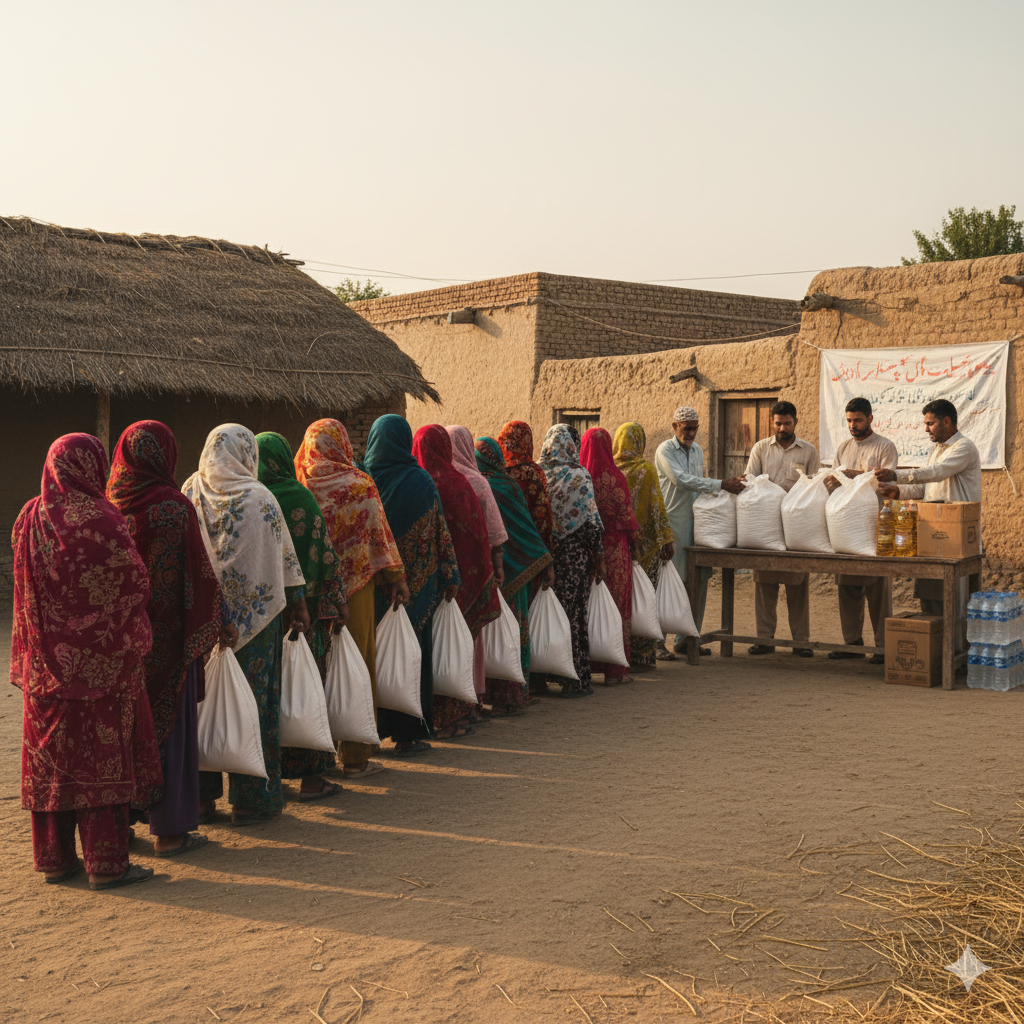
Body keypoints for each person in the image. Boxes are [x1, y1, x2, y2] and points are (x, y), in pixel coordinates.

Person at [13, 433, 161, 889]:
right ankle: (106, 865)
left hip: (45, 673)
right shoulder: (105, 519)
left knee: (53, 764)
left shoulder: (28, 517)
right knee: (101, 761)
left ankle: (54, 860)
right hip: (102, 671)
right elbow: (136, 584)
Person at [107, 420, 231, 858]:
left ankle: (122, 827)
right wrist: (220, 621)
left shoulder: (108, 508)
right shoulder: (175, 509)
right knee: (173, 731)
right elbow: (200, 576)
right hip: (170, 641)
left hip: (119, 644)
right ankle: (170, 831)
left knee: (124, 732)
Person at [184, 424, 309, 825]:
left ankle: (201, 801)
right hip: (256, 624)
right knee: (254, 705)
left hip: (203, 621)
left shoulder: (190, 491)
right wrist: (299, 606)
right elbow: (284, 561)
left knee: (203, 706)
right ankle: (251, 799)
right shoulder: (261, 498)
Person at [294, 419, 406, 780]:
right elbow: (380, 538)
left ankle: (314, 757)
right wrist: (396, 580)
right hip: (354, 592)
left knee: (311, 672)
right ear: (341, 442)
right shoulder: (360, 485)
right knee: (355, 668)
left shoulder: (297, 483)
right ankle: (355, 757)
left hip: (306, 596)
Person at [256, 432, 348, 800]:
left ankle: (267, 780)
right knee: (307, 691)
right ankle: (312, 779)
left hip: (259, 620)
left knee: (266, 697)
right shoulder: (300, 498)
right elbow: (325, 556)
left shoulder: (250, 498)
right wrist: (336, 603)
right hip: (303, 616)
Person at [362, 414, 460, 754]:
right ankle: (407, 733)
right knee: (409, 654)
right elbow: (439, 531)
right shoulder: (419, 481)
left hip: (370, 589)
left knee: (372, 656)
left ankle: (367, 733)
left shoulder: (361, 482)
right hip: (417, 587)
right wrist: (450, 575)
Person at [413, 424, 498, 737]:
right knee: (455, 644)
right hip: (456, 582)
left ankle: (420, 719)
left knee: (421, 648)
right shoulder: (458, 483)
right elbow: (477, 534)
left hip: (410, 586)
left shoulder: (399, 481)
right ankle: (455, 715)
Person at [875, 399, 982, 617]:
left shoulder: (964, 447)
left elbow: (938, 472)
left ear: (947, 421)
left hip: (957, 536)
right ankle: (934, 647)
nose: (926, 429)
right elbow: (927, 487)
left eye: (930, 424)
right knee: (931, 597)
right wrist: (899, 492)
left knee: (957, 603)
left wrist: (897, 475)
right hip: (934, 532)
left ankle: (956, 649)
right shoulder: (936, 450)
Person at [655, 405, 745, 658]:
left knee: (698, 579)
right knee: (670, 581)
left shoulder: (697, 450)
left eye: (695, 428)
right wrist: (720, 484)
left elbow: (698, 487)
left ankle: (687, 638)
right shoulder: (665, 450)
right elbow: (680, 480)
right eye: (687, 428)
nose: (691, 432)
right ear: (675, 427)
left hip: (697, 522)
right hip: (673, 523)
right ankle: (658, 642)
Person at [474, 436, 555, 712]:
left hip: (486, 573)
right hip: (516, 568)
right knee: (513, 631)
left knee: (489, 634)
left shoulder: (478, 486)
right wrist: (545, 561)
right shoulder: (508, 486)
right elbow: (528, 526)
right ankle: (513, 695)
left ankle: (487, 695)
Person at [821, 399, 898, 664]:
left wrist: (854, 475)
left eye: (858, 420)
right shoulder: (843, 447)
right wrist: (832, 482)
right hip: (846, 528)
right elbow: (835, 481)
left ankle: (883, 646)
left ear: (870, 418)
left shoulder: (885, 446)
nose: (853, 426)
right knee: (847, 585)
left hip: (875, 524)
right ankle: (852, 643)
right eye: (849, 421)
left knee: (878, 589)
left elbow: (886, 481)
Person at [745, 401, 819, 657]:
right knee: (764, 582)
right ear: (772, 423)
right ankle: (764, 639)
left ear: (795, 422)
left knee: (797, 583)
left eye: (787, 423)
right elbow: (750, 481)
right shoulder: (761, 448)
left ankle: (801, 641)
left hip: (797, 524)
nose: (782, 428)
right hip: (765, 523)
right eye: (778, 423)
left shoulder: (808, 451)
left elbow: (815, 487)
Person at [538, 424, 605, 696]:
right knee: (572, 613)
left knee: (543, 613)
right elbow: (590, 520)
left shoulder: (538, 473)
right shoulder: (579, 475)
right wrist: (599, 557)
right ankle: (572, 679)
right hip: (574, 555)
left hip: (543, 555)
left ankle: (539, 677)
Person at [613, 422, 675, 670]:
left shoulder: (608, 469)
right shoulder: (646, 470)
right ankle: (641, 656)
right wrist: (666, 539)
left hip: (616, 546)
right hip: (645, 548)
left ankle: (618, 653)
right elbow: (657, 508)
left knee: (619, 598)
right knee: (643, 598)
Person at [580, 427, 639, 684]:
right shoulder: (616, 477)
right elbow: (627, 518)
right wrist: (636, 544)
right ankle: (615, 672)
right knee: (616, 606)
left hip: (587, 551)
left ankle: (586, 666)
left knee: (587, 607)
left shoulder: (580, 478)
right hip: (615, 550)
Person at [497, 420, 556, 551]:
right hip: (527, 545)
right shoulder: (530, 472)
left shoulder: (492, 469)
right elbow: (541, 515)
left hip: (498, 546)